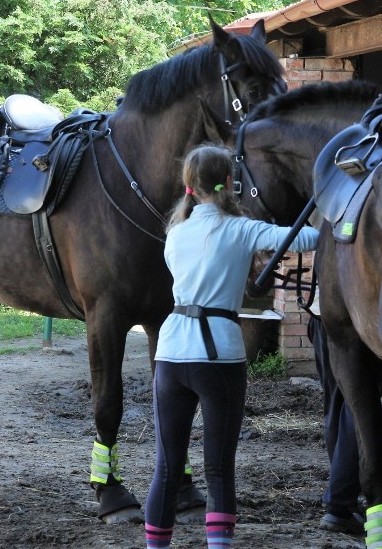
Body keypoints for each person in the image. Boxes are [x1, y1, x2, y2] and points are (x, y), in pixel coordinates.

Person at [143, 144, 320, 549]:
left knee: (167, 467)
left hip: (171, 353)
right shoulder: (242, 229)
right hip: (219, 355)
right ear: (230, 182)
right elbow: (305, 238)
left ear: (189, 184)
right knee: (219, 468)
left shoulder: (176, 233)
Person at [307, 313, 382, 534]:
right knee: (359, 408)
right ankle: (340, 503)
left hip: (323, 314)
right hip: (365, 318)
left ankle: (343, 501)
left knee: (336, 404)